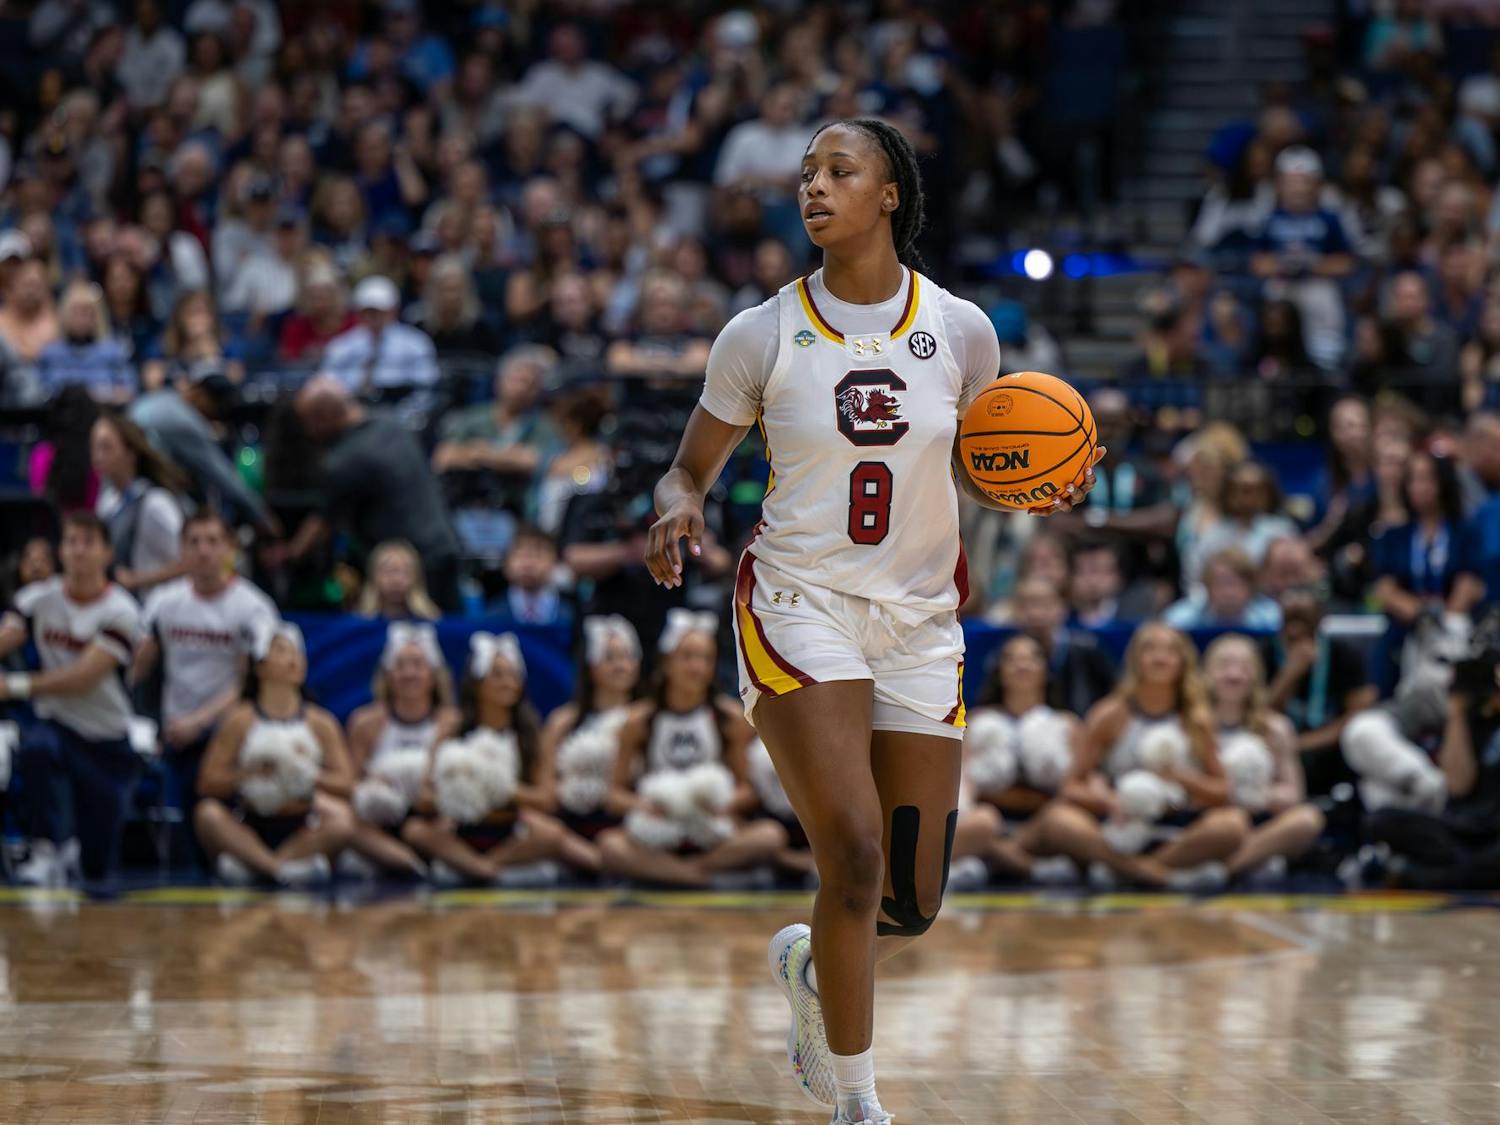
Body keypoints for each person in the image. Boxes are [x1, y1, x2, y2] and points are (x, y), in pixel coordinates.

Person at [642, 118, 1100, 1123]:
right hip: (799, 602)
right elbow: (691, 464)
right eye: (807, 173)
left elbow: (988, 465)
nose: (815, 187)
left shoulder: (964, 330)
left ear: (890, 195)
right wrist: (679, 499)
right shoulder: (758, 332)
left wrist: (1042, 487)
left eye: (839, 171)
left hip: (923, 623)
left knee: (911, 901)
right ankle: (858, 1105)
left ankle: (815, 967)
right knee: (850, 852)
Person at [1025, 622, 1249, 890]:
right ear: (1135, 660)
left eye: (1169, 650)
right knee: (1057, 819)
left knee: (1233, 824)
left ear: (1182, 662)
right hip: (1120, 825)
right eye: (1149, 648)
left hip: (1178, 825)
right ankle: (1162, 877)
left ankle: (1127, 871)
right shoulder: (1110, 713)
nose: (1159, 657)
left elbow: (1223, 790)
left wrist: (1179, 777)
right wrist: (1110, 802)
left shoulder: (1197, 719)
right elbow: (1070, 785)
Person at [0, 513, 143, 886]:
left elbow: (84, 676)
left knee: (97, 866)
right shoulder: (37, 599)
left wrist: (14, 686)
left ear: (107, 553)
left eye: (88, 542)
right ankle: (44, 847)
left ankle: (75, 851)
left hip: (106, 740)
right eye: (71, 541)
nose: (79, 550)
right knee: (35, 749)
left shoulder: (122, 611)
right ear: (61, 551)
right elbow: (8, 634)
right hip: (56, 724)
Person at [594, 612, 787, 887]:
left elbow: (748, 790)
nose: (697, 667)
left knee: (770, 836)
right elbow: (614, 795)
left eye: (706, 658)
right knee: (609, 845)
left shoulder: (728, 716)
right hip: (658, 831)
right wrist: (646, 806)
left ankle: (682, 873)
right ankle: (702, 877)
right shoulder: (639, 720)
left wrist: (721, 804)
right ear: (666, 661)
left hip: (711, 829)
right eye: (687, 657)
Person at [403, 632, 601, 883]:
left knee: (550, 834)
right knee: (415, 831)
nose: (507, 682)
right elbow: (423, 797)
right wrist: (461, 793)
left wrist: (502, 789)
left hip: (511, 830)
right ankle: (480, 867)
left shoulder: (528, 731)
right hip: (463, 827)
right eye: (497, 675)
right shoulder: (453, 726)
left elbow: (547, 799)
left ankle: (487, 867)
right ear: (477, 683)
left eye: (512, 675)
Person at [131, 511, 278, 814]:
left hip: (226, 728)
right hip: (172, 724)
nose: (203, 551)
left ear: (229, 549)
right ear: (182, 550)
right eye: (193, 542)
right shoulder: (163, 601)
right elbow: (137, 670)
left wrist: (199, 721)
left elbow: (251, 682)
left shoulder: (253, 607)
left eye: (212, 541)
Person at [193, 622, 356, 886]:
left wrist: (305, 775)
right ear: (260, 665)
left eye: (296, 653)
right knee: (207, 814)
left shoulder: (320, 722)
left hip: (302, 823)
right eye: (281, 651)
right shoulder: (240, 720)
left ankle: (257, 865)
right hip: (251, 820)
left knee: (343, 820)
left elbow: (346, 784)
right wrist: (248, 774)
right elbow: (207, 783)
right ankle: (278, 869)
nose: (291, 660)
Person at [286, 376, 462, 612]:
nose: (308, 431)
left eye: (309, 422)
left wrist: (289, 555)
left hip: (408, 570)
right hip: (446, 545)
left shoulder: (345, 459)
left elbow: (323, 524)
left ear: (325, 416)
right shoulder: (392, 424)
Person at [951, 634, 1084, 883]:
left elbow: (1075, 785)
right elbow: (961, 779)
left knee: (1064, 821)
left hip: (1041, 825)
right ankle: (1027, 867)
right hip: (987, 822)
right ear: (1000, 671)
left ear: (1046, 670)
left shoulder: (1068, 723)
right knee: (983, 821)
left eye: (1032, 659)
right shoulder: (975, 720)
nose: (1022, 666)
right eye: (1012, 660)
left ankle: (995, 861)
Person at [1202, 634, 1325, 883]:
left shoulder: (1276, 727)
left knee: (1308, 819)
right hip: (1208, 821)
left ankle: (1224, 870)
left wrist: (1252, 795)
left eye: (1244, 667)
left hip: (1260, 822)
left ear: (1256, 677)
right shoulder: (1193, 725)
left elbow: (1293, 794)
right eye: (1224, 666)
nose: (1234, 675)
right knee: (1225, 824)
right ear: (1208, 675)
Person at [343, 622, 461, 877]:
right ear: (387, 674)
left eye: (418, 665)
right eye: (400, 666)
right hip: (378, 825)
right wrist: (372, 785)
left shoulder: (451, 721)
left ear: (433, 674)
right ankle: (409, 863)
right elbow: (349, 784)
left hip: (432, 819)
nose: (409, 674)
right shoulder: (365, 722)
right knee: (343, 824)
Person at [1264, 586, 1379, 797]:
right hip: (1274, 745)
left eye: (1304, 620)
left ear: (1320, 620)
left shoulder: (1345, 653)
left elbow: (1355, 715)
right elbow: (1258, 714)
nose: (1296, 631)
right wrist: (1289, 674)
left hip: (1330, 746)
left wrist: (1300, 745)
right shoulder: (1264, 651)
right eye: (1290, 620)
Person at [535, 615, 641, 842]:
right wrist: (577, 793)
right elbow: (544, 788)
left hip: (628, 826)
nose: (620, 666)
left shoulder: (643, 718)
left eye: (626, 657)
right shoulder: (562, 721)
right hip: (569, 824)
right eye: (610, 658)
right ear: (591, 666)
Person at [90, 412, 189, 597]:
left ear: (130, 453)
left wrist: (137, 579)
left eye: (106, 447)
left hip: (155, 605)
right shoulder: (107, 502)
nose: (98, 457)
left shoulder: (155, 503)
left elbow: (188, 560)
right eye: (95, 447)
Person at [320, 274, 439, 394]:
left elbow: (427, 382)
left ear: (393, 311)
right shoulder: (342, 345)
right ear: (359, 313)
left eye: (379, 311)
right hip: (352, 404)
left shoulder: (415, 343)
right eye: (368, 311)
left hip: (400, 405)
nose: (373, 317)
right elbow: (327, 382)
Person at [36, 280, 136, 403]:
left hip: (104, 413)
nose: (82, 319)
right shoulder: (51, 353)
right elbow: (39, 391)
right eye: (76, 312)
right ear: (65, 314)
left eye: (88, 312)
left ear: (98, 316)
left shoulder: (112, 351)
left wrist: (105, 395)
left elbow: (128, 391)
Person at [354, 540, 442, 621]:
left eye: (405, 572)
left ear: (416, 577)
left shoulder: (433, 622)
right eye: (389, 571)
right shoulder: (358, 626)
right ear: (374, 576)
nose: (396, 580)